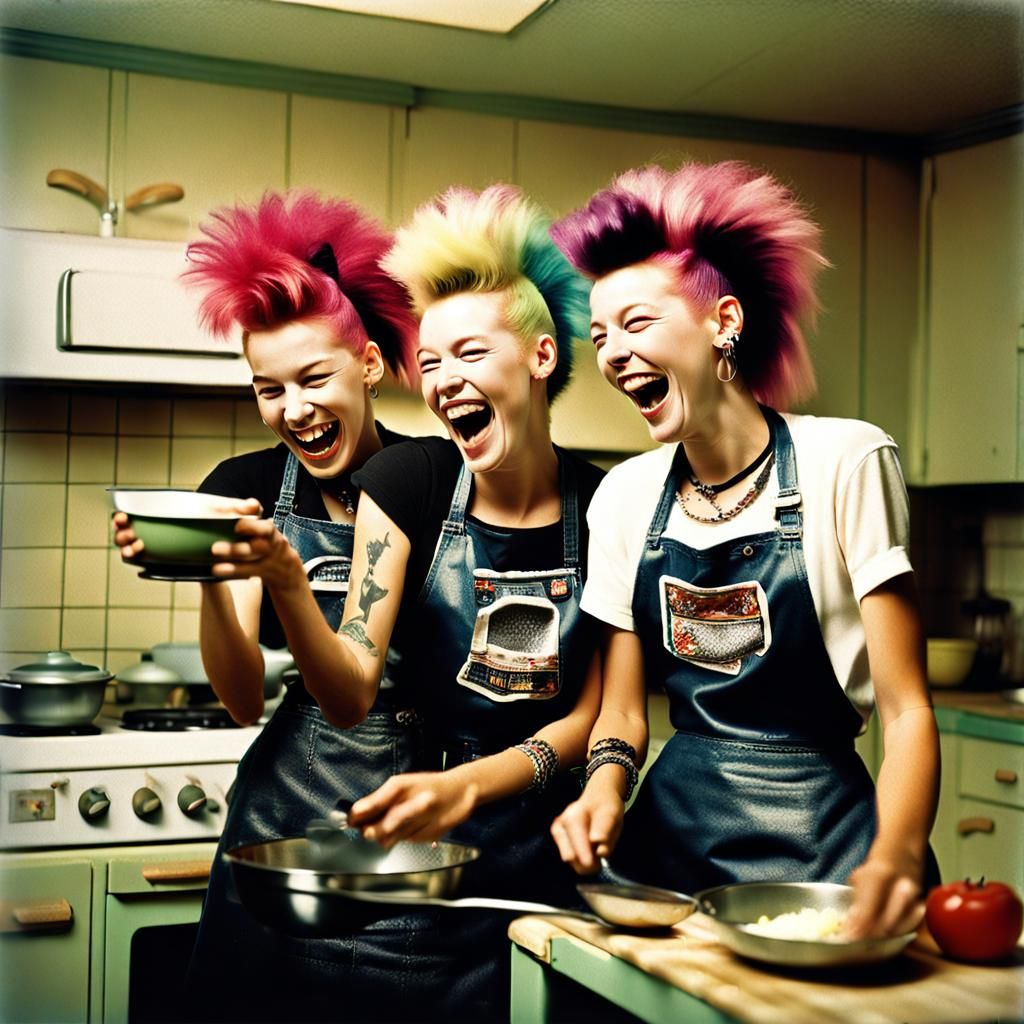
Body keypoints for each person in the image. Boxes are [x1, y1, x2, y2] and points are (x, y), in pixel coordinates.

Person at [547, 160, 940, 941]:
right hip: (671, 844)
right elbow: (624, 711)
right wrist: (602, 791)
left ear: (723, 321)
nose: (614, 353)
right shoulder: (626, 496)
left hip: (832, 844)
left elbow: (906, 710)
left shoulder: (848, 462)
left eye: (637, 323)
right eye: (599, 337)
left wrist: (895, 854)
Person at [112, 190, 433, 1023]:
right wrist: (210, 577)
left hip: (411, 815)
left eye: (314, 378)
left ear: (367, 365)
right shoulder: (242, 490)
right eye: (267, 388)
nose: (293, 409)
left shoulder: (431, 482)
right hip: (280, 817)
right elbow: (244, 698)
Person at [312, 184, 605, 1022]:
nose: (444, 384)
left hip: (560, 853)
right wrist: (288, 586)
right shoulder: (409, 482)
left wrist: (482, 785)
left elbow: (596, 713)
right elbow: (349, 681)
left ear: (541, 358)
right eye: (431, 363)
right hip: (424, 852)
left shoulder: (611, 505)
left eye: (470, 354)